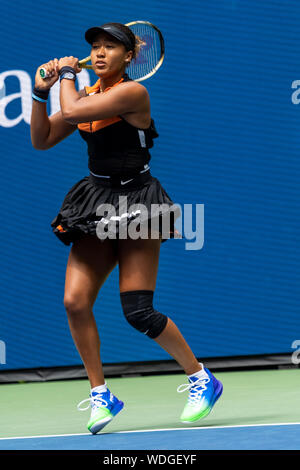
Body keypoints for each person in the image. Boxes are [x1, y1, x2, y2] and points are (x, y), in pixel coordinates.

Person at [30, 22, 223, 434]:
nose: (99, 53)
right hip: (95, 204)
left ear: (130, 57)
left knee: (138, 312)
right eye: (95, 47)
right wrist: (39, 93)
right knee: (75, 302)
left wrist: (66, 74)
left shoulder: (134, 93)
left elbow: (77, 111)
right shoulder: (87, 95)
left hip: (138, 205)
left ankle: (201, 379)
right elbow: (42, 138)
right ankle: (102, 396)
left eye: (109, 48)